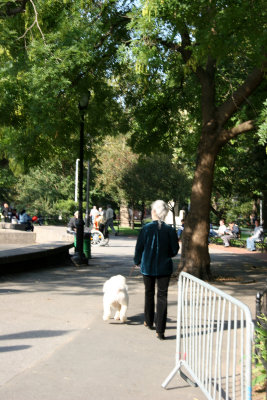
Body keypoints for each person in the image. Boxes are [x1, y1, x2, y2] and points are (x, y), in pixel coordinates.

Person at [134, 200, 179, 340]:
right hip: (164, 267)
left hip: (147, 266)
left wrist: (137, 261)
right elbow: (174, 250)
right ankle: (160, 330)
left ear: (153, 212)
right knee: (162, 296)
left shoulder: (146, 229)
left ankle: (148, 320)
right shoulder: (170, 230)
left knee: (148, 293)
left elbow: (139, 247)